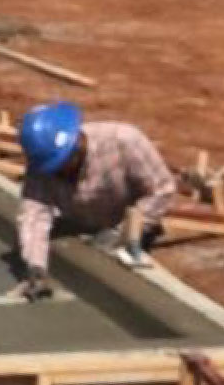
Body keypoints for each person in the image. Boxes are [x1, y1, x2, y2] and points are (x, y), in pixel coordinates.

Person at [11, 102, 176, 301]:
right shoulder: (43, 164)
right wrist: (36, 267)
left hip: (130, 230)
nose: (58, 173)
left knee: (129, 291)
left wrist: (121, 233)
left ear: (76, 144)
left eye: (61, 165)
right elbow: (34, 216)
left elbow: (163, 189)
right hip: (81, 223)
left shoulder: (123, 141)